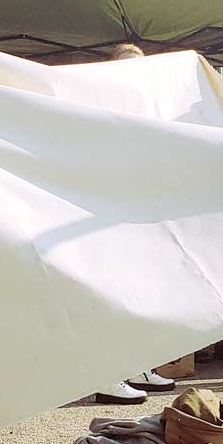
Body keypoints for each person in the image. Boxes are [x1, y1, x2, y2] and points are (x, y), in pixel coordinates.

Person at [90, 42, 176, 404]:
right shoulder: (97, 112)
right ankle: (105, 376)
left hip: (141, 214)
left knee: (143, 293)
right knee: (111, 296)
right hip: (104, 218)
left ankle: (137, 365)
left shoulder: (150, 113)